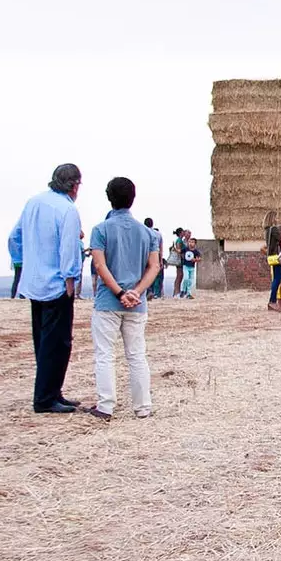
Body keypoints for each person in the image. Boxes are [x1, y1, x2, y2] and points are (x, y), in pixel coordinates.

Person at [8, 164, 85, 414]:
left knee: (42, 341)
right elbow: (69, 249)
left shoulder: (33, 202)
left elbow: (14, 237)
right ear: (74, 186)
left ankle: (52, 391)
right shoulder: (67, 209)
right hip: (56, 283)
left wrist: (23, 264)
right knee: (58, 343)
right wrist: (70, 279)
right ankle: (45, 398)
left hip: (33, 281)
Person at [85, 177, 161, 421]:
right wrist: (136, 292)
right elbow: (154, 266)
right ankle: (143, 407)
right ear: (133, 199)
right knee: (137, 355)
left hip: (109, 301)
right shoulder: (147, 233)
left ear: (109, 198)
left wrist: (118, 292)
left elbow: (99, 264)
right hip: (137, 304)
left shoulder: (100, 230)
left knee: (105, 354)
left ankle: (106, 406)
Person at [263, 211, 281, 311]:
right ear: (273, 218)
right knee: (277, 279)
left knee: (276, 278)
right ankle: (272, 301)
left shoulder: (267, 230)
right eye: (276, 217)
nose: (277, 219)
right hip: (276, 256)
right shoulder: (274, 229)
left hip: (270, 256)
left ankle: (272, 302)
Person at [144, 218, 165, 301]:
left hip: (145, 254)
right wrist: (161, 260)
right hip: (156, 254)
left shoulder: (143, 232)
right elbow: (161, 248)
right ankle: (155, 293)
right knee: (154, 274)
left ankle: (148, 291)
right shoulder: (158, 234)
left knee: (145, 273)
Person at [168, 229, 186, 298]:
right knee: (179, 276)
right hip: (180, 260)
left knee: (180, 276)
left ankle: (176, 292)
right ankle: (176, 292)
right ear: (181, 233)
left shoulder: (180, 240)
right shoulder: (179, 240)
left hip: (180, 260)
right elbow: (179, 250)